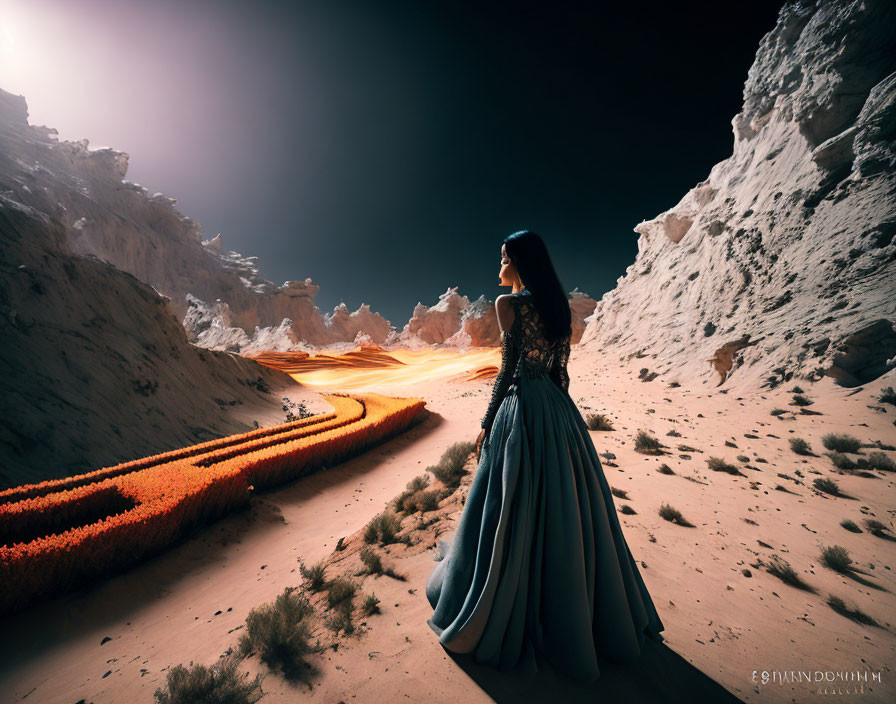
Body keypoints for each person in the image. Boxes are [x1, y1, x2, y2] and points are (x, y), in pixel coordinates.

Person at [425, 230, 665, 684]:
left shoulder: (508, 306)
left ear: (516, 260)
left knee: (509, 505)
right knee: (563, 511)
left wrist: (486, 423)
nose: (499, 266)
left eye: (502, 258)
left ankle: (503, 597)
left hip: (521, 409)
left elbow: (507, 371)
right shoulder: (558, 308)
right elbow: (561, 375)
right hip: (558, 413)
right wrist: (563, 422)